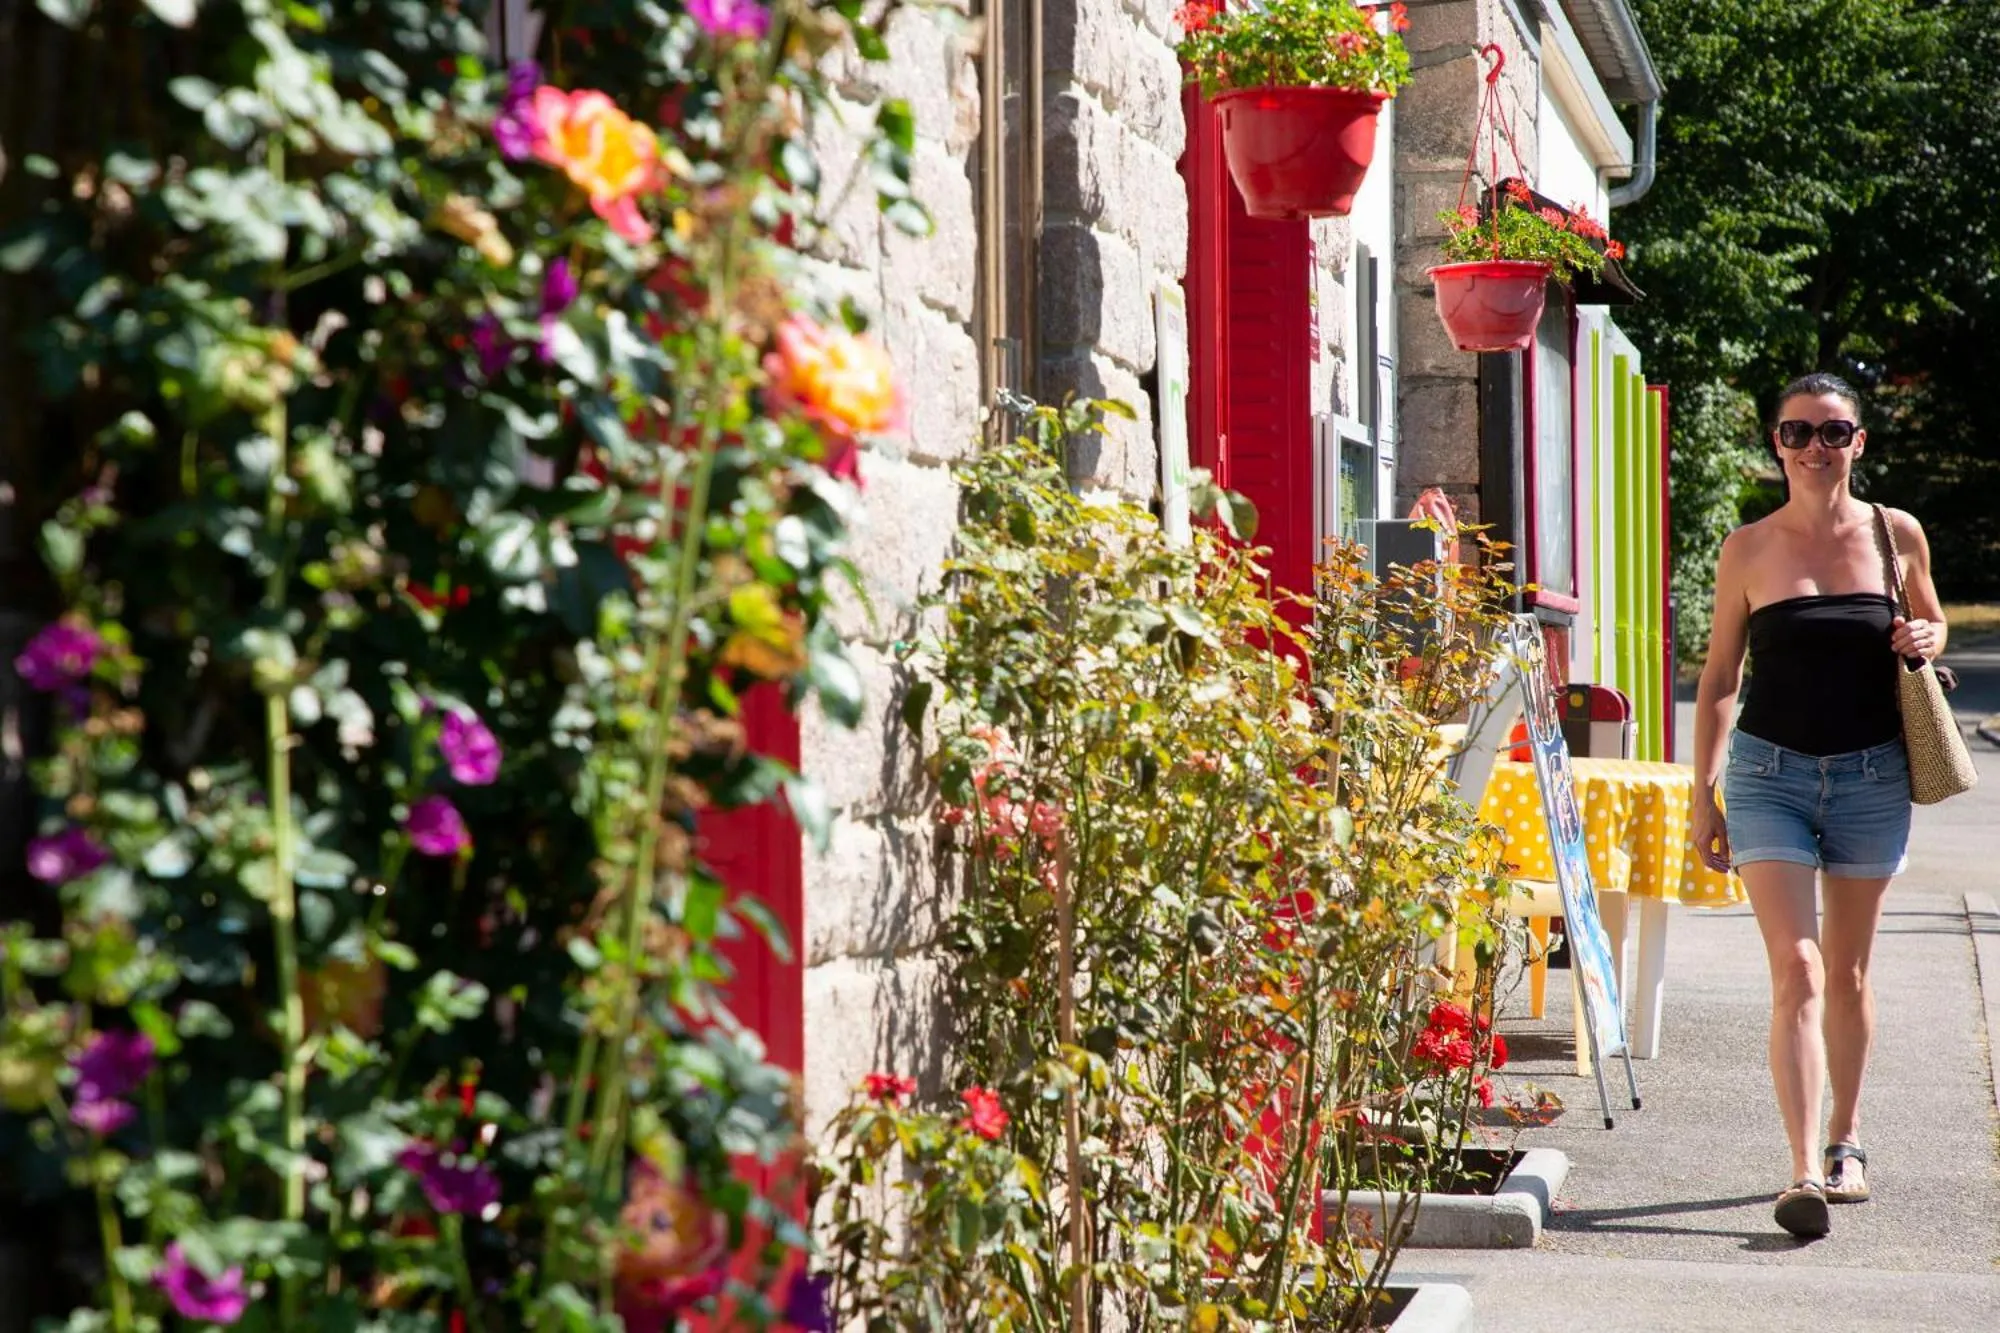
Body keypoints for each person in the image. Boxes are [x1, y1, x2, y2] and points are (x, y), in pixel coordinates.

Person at [1688, 372, 1945, 1240]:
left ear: (1858, 444)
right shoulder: (1747, 548)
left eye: (1833, 433)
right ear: (1777, 445)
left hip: (1874, 775)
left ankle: (1847, 1139)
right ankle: (1801, 1169)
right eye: (1797, 432)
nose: (1814, 448)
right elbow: (1721, 678)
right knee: (1795, 968)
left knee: (1850, 972)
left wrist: (1924, 635)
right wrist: (1703, 792)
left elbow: (1936, 625)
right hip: (1769, 774)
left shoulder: (1895, 534)